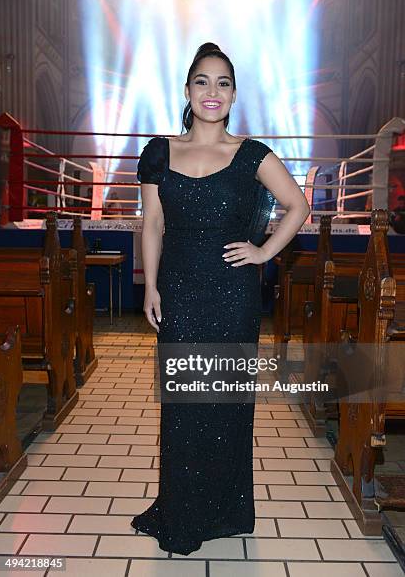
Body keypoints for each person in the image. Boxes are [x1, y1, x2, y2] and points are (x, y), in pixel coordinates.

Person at [131, 42, 310, 555]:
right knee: (184, 404)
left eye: (223, 83)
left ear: (233, 94)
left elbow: (297, 206)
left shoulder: (251, 154)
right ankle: (184, 510)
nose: (213, 92)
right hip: (181, 294)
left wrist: (263, 252)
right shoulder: (159, 152)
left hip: (232, 297)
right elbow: (154, 224)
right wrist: (151, 285)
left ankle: (225, 510)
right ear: (188, 91)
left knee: (226, 403)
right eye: (203, 82)